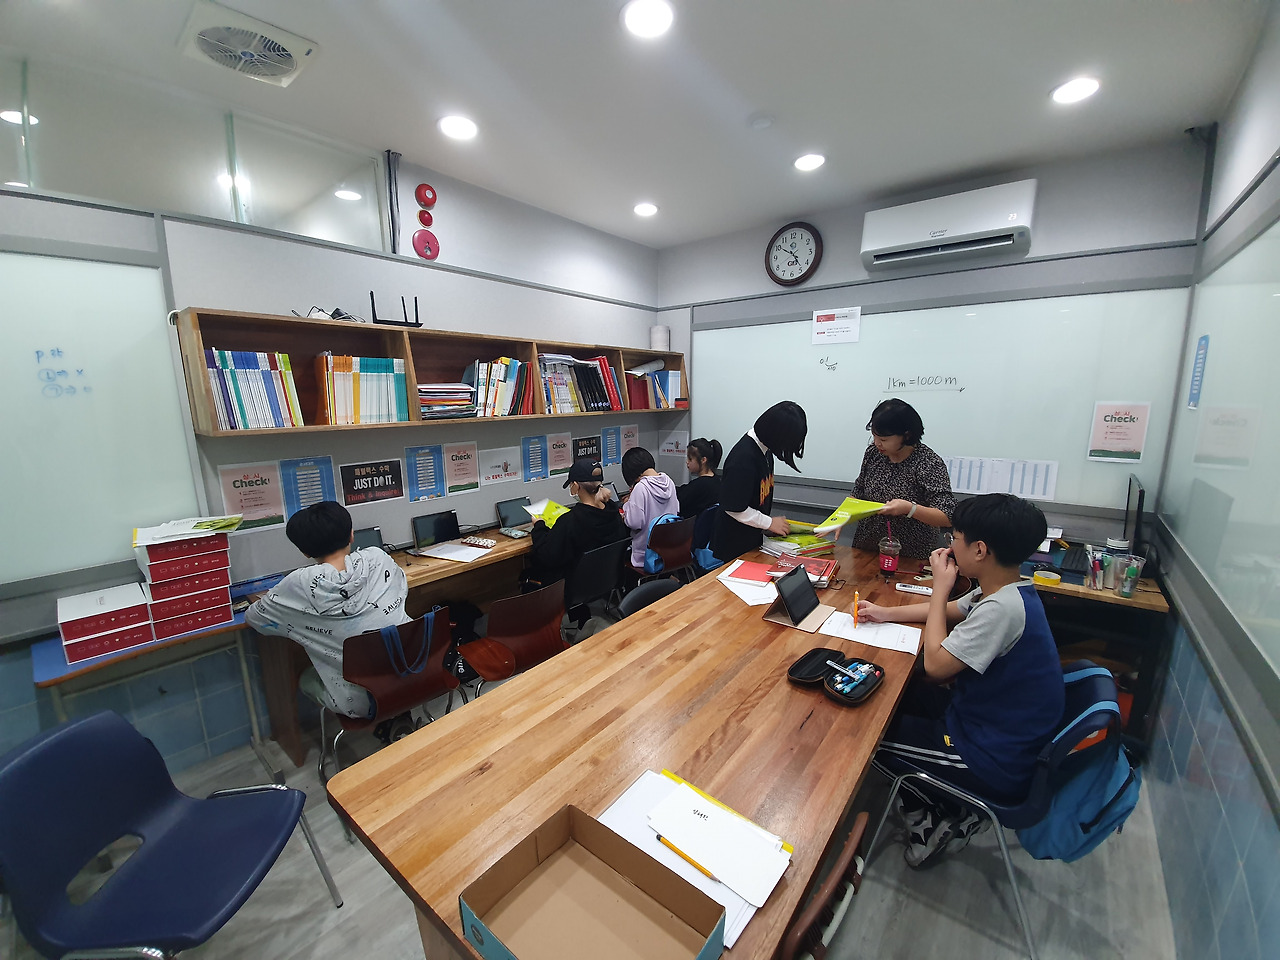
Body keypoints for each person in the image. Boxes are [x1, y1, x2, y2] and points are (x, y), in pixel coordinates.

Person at [856, 493, 1064, 868]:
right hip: (988, 722)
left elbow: (936, 665)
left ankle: (933, 822)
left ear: (980, 550)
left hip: (989, 756)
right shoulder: (1006, 590)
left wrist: (940, 585)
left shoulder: (1001, 610)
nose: (950, 546)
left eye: (955, 538)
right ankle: (951, 804)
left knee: (867, 740)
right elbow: (951, 611)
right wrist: (884, 613)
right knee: (900, 696)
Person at [247, 500, 409, 721]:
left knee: (306, 676)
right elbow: (401, 587)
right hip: (414, 670)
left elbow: (255, 618)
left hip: (364, 700)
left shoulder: (298, 584)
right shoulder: (378, 558)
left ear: (304, 552)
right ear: (351, 535)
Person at [851, 398, 956, 559]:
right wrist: (840, 518)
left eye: (884, 439)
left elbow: (947, 516)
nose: (877, 443)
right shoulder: (873, 454)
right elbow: (858, 491)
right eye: (874, 436)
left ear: (906, 435)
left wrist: (909, 509)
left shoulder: (928, 462)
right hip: (867, 548)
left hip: (910, 555)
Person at [712, 400, 808, 562]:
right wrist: (769, 523)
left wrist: (767, 525)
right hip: (734, 545)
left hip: (752, 539)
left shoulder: (765, 451)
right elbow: (733, 508)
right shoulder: (743, 459)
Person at [526, 458, 628, 585]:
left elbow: (546, 556)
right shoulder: (613, 513)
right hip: (606, 582)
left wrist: (539, 526)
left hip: (572, 587)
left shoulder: (570, 521)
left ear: (575, 486)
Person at [620, 446, 680, 569]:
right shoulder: (669, 482)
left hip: (646, 555)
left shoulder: (641, 487)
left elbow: (634, 523)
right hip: (669, 549)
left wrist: (626, 507)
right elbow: (676, 510)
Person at [676, 437, 722, 518]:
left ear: (703, 460)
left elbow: (678, 503)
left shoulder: (699, 485)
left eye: (690, 459)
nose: (687, 462)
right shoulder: (717, 481)